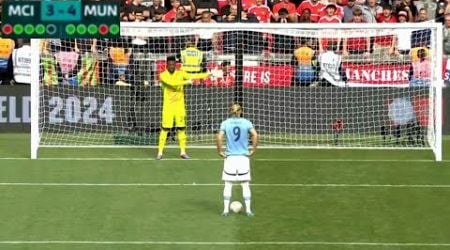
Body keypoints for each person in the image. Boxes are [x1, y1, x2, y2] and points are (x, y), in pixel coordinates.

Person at [157, 56, 210, 160]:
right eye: (170, 64)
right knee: (165, 129)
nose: (172, 66)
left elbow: (194, 75)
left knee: (181, 128)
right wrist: (186, 82)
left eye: (173, 64)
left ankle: (183, 152)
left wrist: (208, 74)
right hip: (168, 107)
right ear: (166, 65)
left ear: (176, 65)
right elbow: (172, 84)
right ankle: (160, 152)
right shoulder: (162, 75)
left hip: (179, 106)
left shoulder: (181, 73)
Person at [216, 103, 258, 217]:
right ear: (241, 111)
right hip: (243, 157)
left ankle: (225, 210)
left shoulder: (225, 123)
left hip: (230, 157)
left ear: (230, 111)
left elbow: (219, 136)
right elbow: (255, 135)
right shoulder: (246, 122)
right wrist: (253, 149)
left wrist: (220, 150)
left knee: (228, 184)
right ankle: (248, 211)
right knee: (245, 184)